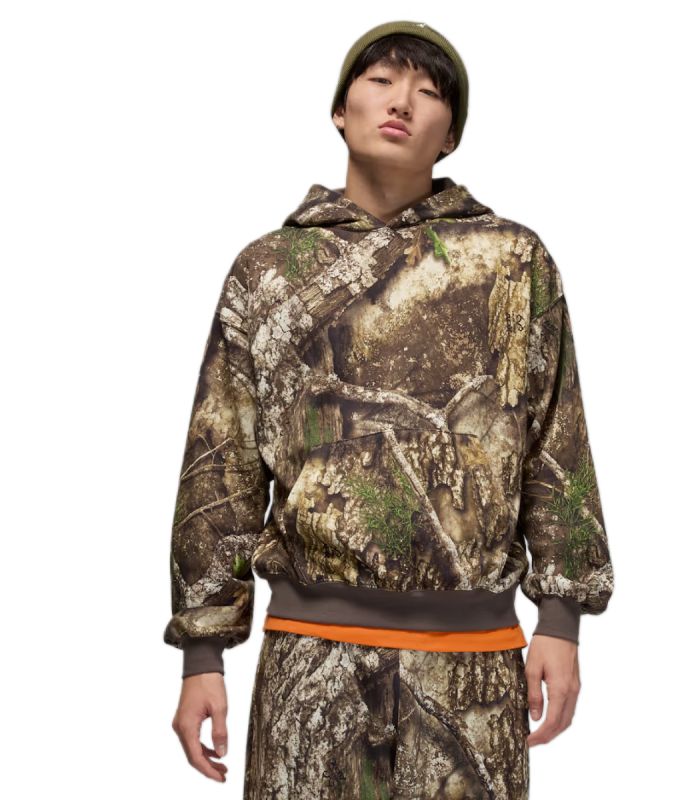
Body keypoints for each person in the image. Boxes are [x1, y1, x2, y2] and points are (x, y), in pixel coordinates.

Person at [165, 20, 614, 799]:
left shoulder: (512, 262)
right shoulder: (269, 271)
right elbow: (223, 458)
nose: (402, 100)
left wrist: (561, 619)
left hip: (471, 666)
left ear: (451, 136)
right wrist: (202, 653)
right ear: (340, 111)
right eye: (379, 81)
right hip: (310, 661)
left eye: (429, 91)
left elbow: (555, 440)